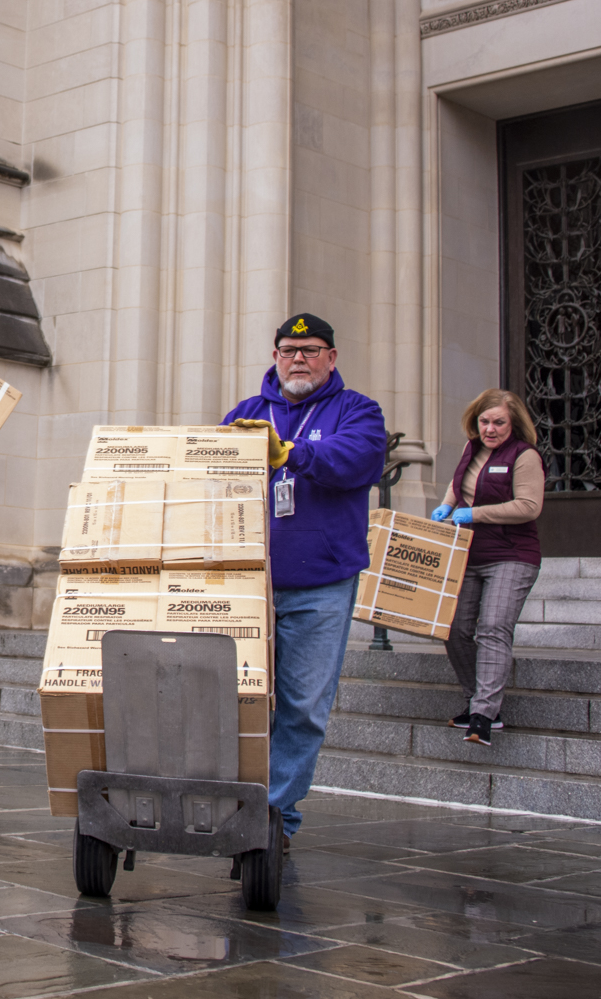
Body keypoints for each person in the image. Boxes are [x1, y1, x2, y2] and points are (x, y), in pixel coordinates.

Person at [224, 313, 386, 847]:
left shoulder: (356, 410)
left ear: (331, 358)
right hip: (245, 585)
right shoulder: (246, 414)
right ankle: (243, 804)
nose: (299, 358)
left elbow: (358, 459)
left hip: (320, 584)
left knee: (302, 706)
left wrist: (293, 453)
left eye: (311, 350)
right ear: (274, 357)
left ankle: (273, 821)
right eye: (289, 350)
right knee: (236, 700)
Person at [431, 389, 544, 748]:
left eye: (498, 422)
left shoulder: (524, 456)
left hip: (512, 554)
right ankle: (476, 699)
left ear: (514, 424)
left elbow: (529, 506)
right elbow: (458, 484)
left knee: (493, 627)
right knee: (454, 628)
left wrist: (474, 514)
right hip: (469, 554)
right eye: (484, 421)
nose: (490, 429)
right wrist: (446, 506)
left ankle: (483, 714)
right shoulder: (472, 449)